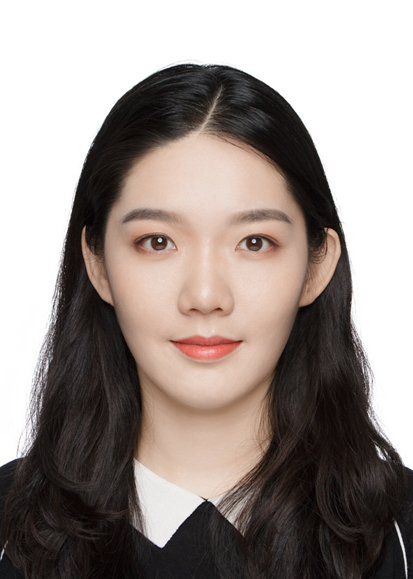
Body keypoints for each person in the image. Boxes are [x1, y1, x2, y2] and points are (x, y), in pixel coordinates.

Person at [0, 63, 411, 579]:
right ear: (98, 264)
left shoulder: (402, 533)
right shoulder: (9, 526)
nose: (205, 296)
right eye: (157, 242)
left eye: (254, 243)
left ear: (317, 266)